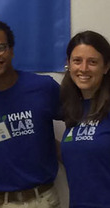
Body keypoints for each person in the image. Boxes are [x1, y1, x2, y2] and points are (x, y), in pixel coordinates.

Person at [0, 18, 61, 208]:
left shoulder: (43, 87)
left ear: (11, 50)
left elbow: (79, 126)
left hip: (44, 199)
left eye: (0, 47)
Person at [60, 31, 110, 207]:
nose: (83, 69)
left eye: (93, 62)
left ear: (106, 67)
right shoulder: (73, 108)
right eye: (77, 61)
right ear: (68, 64)